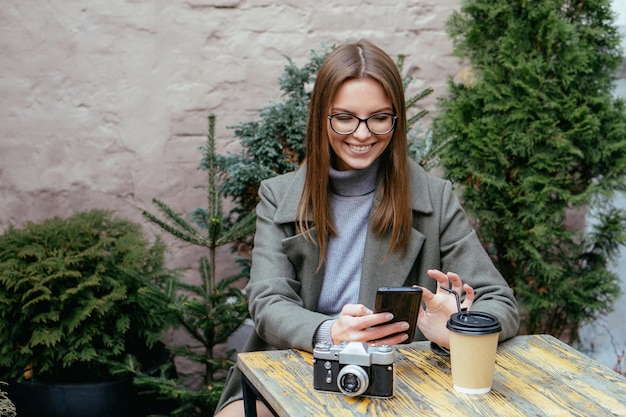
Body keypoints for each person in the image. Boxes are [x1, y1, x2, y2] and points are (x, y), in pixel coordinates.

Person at [214, 40, 519, 417]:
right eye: (344, 117)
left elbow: (499, 301)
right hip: (297, 367)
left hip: (402, 382)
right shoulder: (279, 196)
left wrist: (458, 328)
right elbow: (268, 302)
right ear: (321, 117)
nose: (362, 134)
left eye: (379, 117)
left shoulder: (434, 199)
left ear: (397, 119)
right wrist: (330, 332)